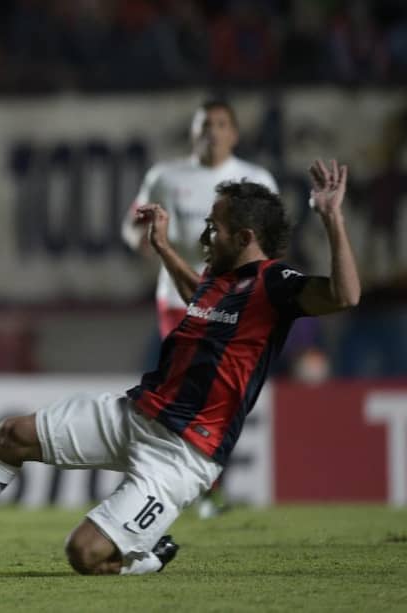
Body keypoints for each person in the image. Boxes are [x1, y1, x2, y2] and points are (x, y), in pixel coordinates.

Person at [0, 159, 359, 575]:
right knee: (11, 436)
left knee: (83, 554)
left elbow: (344, 294)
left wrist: (332, 218)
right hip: (134, 413)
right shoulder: (218, 276)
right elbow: (200, 300)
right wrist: (164, 248)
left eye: (215, 225)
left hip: (181, 455)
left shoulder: (275, 285)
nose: (205, 233)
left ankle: (143, 558)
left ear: (247, 236)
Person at [122, 98, 278, 518]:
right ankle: (192, 485)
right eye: (204, 123)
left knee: (218, 392)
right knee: (189, 389)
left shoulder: (255, 179)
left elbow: (272, 240)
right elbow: (132, 223)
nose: (212, 131)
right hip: (178, 298)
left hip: (235, 301)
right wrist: (139, 238)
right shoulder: (166, 176)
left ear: (235, 133)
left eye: (221, 123)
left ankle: (199, 482)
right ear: (192, 132)